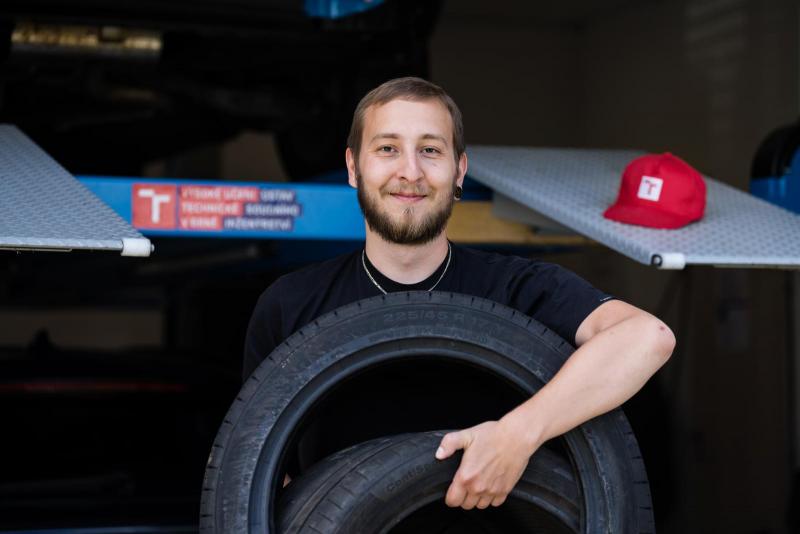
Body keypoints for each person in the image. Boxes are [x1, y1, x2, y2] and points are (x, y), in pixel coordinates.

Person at [243, 76, 675, 511]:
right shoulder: (290, 304)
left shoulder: (516, 288)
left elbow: (648, 337)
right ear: (354, 168)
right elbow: (256, 471)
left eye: (430, 150)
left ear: (459, 171)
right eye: (388, 148)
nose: (410, 172)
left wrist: (517, 434)